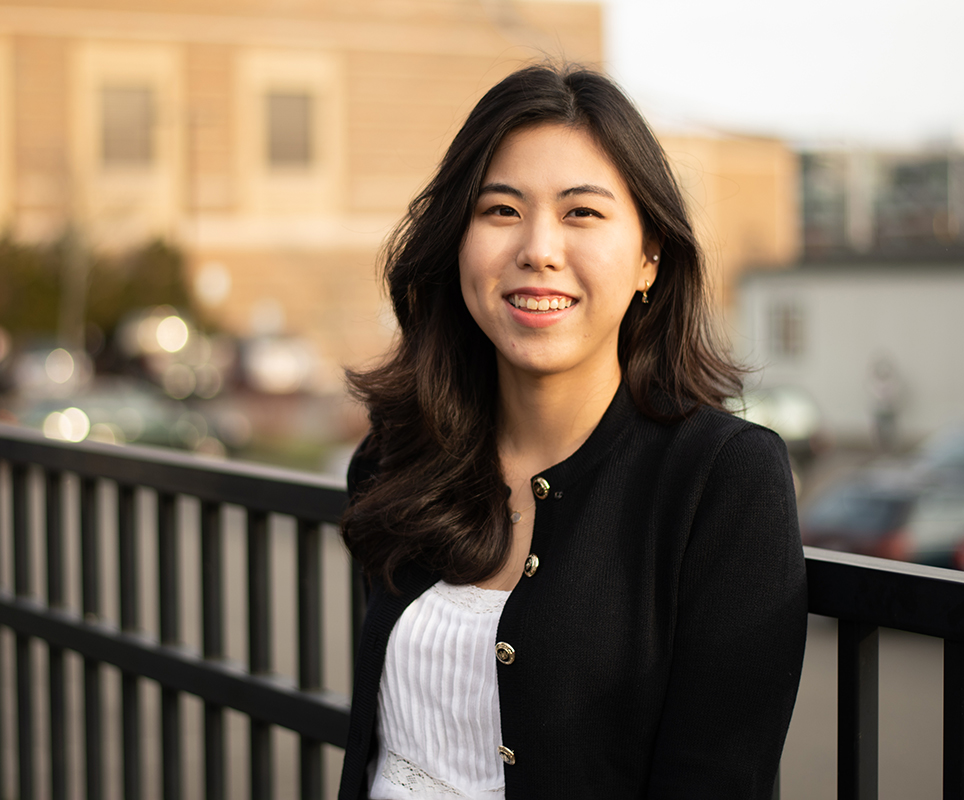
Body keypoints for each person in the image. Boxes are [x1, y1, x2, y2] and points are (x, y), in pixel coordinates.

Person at [337, 64, 807, 800]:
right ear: (457, 241)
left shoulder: (720, 480)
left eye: (581, 213)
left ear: (650, 255)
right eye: (500, 210)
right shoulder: (396, 457)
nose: (539, 249)